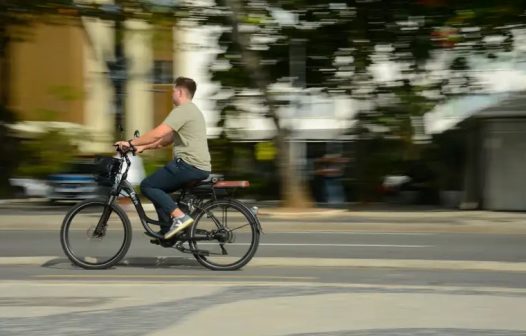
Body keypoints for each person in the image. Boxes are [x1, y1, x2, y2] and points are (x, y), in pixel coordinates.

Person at [115, 77, 211, 239]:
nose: (171, 94)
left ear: (180, 92)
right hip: (196, 166)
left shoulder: (183, 110)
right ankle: (169, 231)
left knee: (148, 186)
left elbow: (158, 132)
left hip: (189, 165)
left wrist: (130, 143)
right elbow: (165, 139)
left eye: (173, 91)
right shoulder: (192, 111)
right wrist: (143, 147)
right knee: (160, 189)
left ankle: (180, 217)